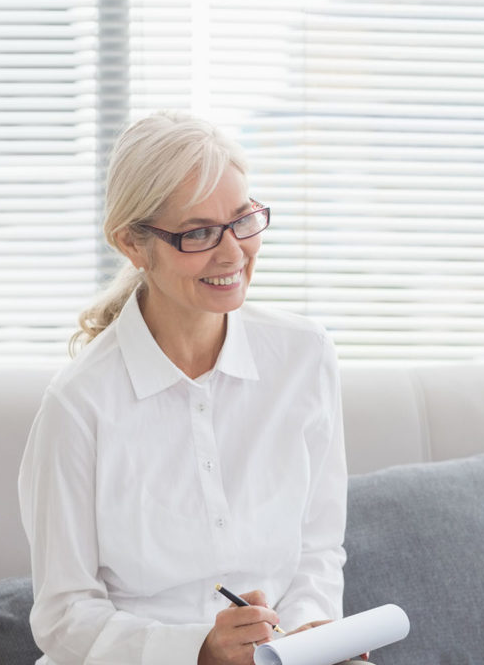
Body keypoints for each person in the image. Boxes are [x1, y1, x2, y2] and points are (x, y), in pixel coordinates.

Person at [18, 111, 347, 665]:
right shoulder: (79, 403)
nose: (232, 253)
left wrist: (308, 634)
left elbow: (318, 549)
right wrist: (199, 649)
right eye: (198, 233)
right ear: (132, 244)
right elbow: (63, 615)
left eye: (243, 220)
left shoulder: (304, 357)